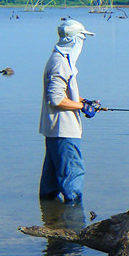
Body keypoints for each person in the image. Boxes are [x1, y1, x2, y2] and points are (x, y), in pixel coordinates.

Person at [38, 19, 98, 202]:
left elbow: (61, 93)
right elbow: (56, 99)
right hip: (64, 130)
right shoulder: (60, 63)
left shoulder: (58, 58)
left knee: (51, 183)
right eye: (82, 39)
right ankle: (74, 225)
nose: (82, 44)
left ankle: (49, 218)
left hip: (55, 130)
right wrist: (82, 107)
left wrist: (83, 100)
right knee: (73, 176)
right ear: (73, 40)